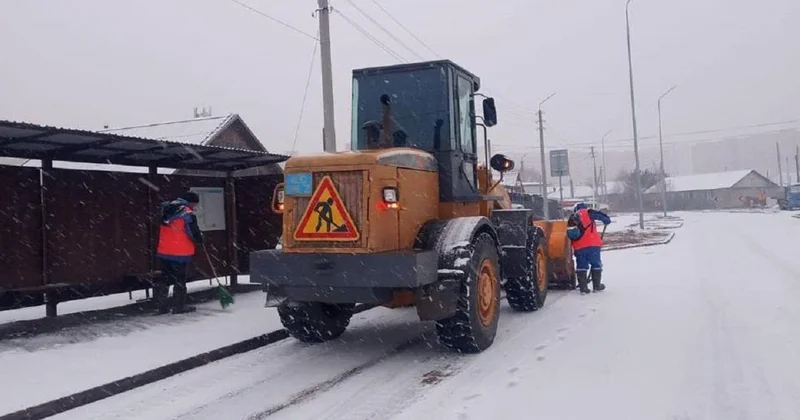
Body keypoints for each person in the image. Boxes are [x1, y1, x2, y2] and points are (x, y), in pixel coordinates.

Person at [154, 191, 204, 314]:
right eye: (194, 204)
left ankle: (162, 306)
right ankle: (179, 306)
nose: (194, 207)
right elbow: (193, 232)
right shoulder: (187, 213)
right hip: (181, 252)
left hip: (164, 251)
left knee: (165, 278)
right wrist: (200, 239)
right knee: (180, 280)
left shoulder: (166, 208)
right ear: (191, 202)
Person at [567, 202, 611, 295]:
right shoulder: (586, 212)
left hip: (578, 246)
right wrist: (606, 220)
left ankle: (583, 288)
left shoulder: (572, 217)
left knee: (581, 266)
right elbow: (601, 216)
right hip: (591, 245)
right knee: (596, 264)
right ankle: (597, 286)